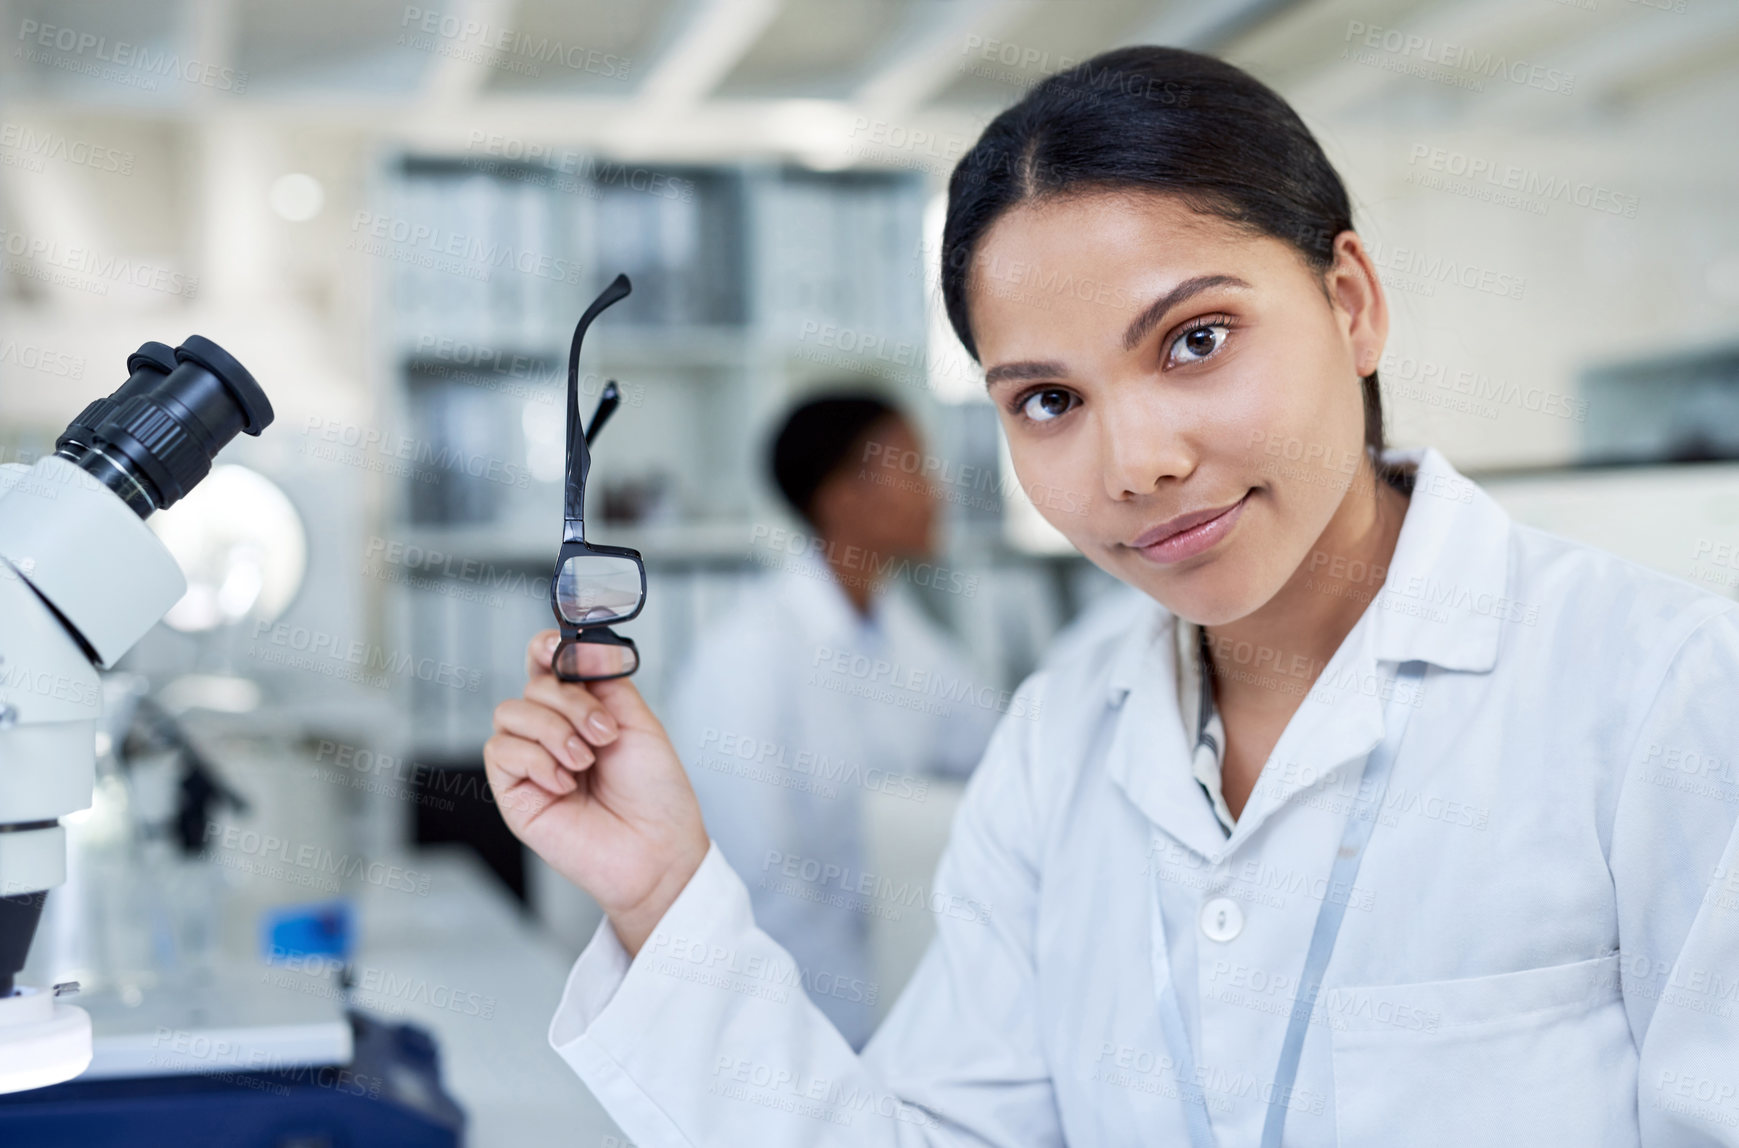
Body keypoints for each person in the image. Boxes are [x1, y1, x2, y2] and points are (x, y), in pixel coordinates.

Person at [482, 46, 1739, 1146]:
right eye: (1048, 401)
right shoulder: (1056, 741)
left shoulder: (1661, 692)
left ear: (1349, 303)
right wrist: (660, 893)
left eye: (1194, 338)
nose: (1133, 462)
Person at [660, 393, 999, 1050]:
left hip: (885, 985)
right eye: (913, 467)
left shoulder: (902, 632)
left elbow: (1000, 751)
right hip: (776, 1020)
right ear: (842, 498)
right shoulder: (749, 653)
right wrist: (883, 1033)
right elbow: (760, 886)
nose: (937, 490)